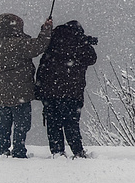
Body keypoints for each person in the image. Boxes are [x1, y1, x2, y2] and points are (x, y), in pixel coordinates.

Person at [0, 13, 53, 158]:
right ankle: (19, 150)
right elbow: (39, 46)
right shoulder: (20, 44)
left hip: (1, 93)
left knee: (4, 124)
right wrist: (46, 30)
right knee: (22, 124)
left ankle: (2, 151)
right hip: (21, 92)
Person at [35, 20, 98, 158]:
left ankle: (57, 152)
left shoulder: (52, 42)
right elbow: (92, 58)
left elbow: (42, 66)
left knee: (53, 124)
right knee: (71, 124)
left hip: (50, 93)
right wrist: (84, 41)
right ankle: (77, 151)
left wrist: (39, 89)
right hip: (72, 93)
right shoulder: (80, 44)